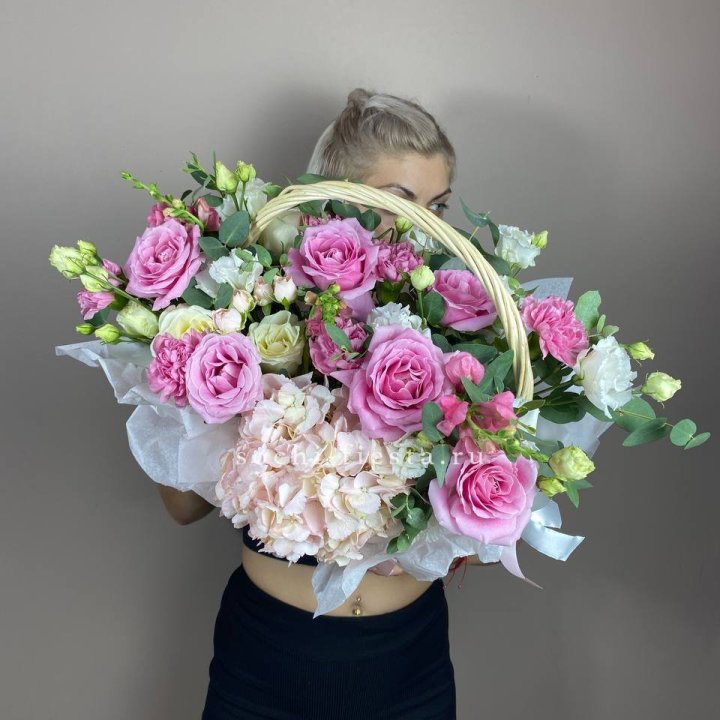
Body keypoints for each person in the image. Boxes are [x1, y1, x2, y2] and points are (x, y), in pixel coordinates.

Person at [159, 88, 498, 720]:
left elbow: (478, 529)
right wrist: (205, 387)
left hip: (408, 659)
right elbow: (182, 508)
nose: (424, 226)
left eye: (438, 206)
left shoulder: (465, 333)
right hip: (270, 656)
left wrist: (453, 524)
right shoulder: (259, 312)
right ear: (335, 197)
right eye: (400, 202)